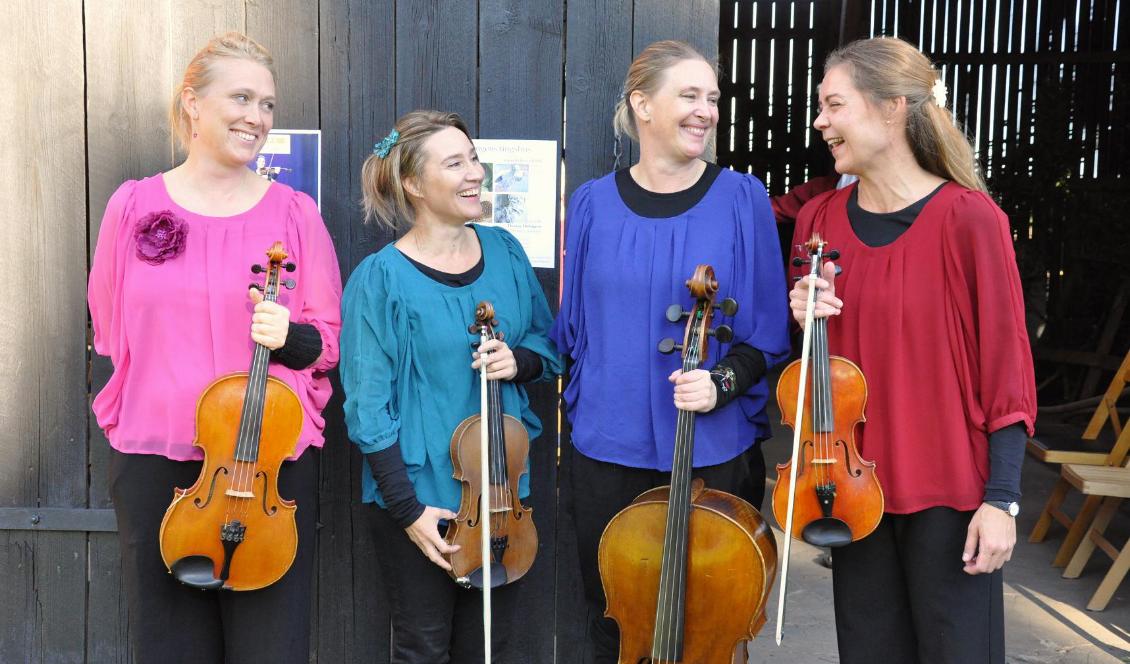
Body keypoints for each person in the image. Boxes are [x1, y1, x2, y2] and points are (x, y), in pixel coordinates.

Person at [87, 32, 341, 663]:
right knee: (165, 645)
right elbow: (110, 327)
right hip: (156, 455)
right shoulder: (132, 206)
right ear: (193, 104)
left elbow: (325, 345)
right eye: (242, 98)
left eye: (269, 105)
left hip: (263, 468)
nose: (257, 117)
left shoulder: (295, 215)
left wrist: (289, 337)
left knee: (269, 647)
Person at [788, 37, 1036, 664]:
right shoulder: (819, 220)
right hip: (850, 490)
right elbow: (824, 376)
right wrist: (804, 321)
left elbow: (1007, 369)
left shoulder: (970, 218)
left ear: (893, 108)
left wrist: (1001, 498)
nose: (821, 121)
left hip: (953, 495)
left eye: (834, 104)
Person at [552, 40, 791, 661]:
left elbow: (766, 331)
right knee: (614, 620)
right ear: (642, 104)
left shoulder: (743, 198)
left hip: (711, 449)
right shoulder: (591, 204)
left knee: (709, 621)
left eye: (712, 98)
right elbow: (573, 333)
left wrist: (722, 383)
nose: (706, 110)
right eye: (689, 95)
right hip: (606, 446)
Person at [340, 110, 562, 663]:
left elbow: (546, 344)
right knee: (423, 646)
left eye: (474, 159)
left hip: (503, 490)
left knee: (493, 647)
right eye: (455, 162)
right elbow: (368, 407)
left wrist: (518, 362)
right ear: (414, 184)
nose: (475, 174)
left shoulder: (506, 252)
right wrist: (409, 511)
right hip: (420, 495)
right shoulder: (380, 277)